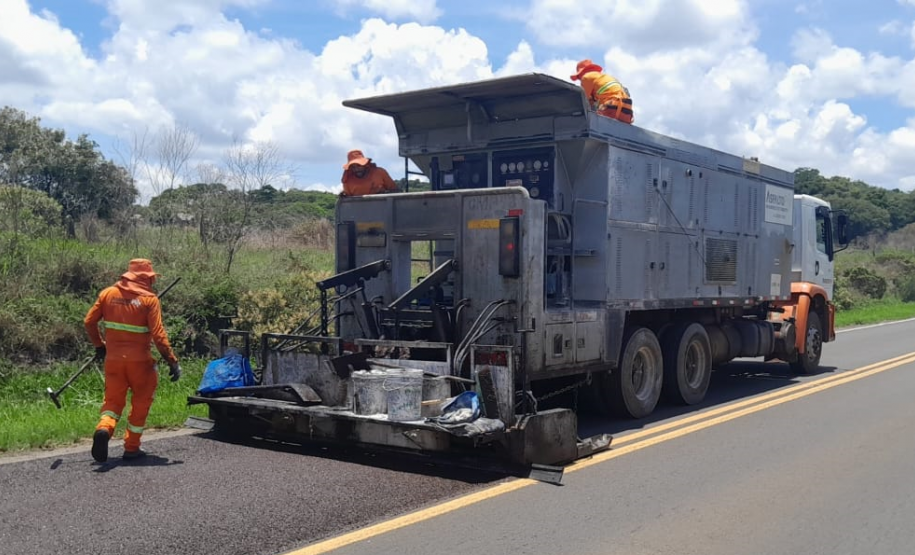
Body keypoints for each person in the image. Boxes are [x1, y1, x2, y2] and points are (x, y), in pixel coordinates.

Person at [84, 258, 181, 462]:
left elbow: (89, 321)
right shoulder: (149, 300)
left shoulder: (108, 294)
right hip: (141, 364)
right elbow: (158, 335)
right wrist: (172, 361)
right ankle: (131, 448)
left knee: (112, 402)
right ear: (145, 278)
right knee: (140, 403)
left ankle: (104, 428)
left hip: (113, 361)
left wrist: (99, 345)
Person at [570, 58, 634, 124]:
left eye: (578, 77)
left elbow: (584, 103)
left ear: (581, 73)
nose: (580, 80)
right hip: (627, 113)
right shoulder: (606, 78)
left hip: (611, 109)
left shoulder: (586, 77)